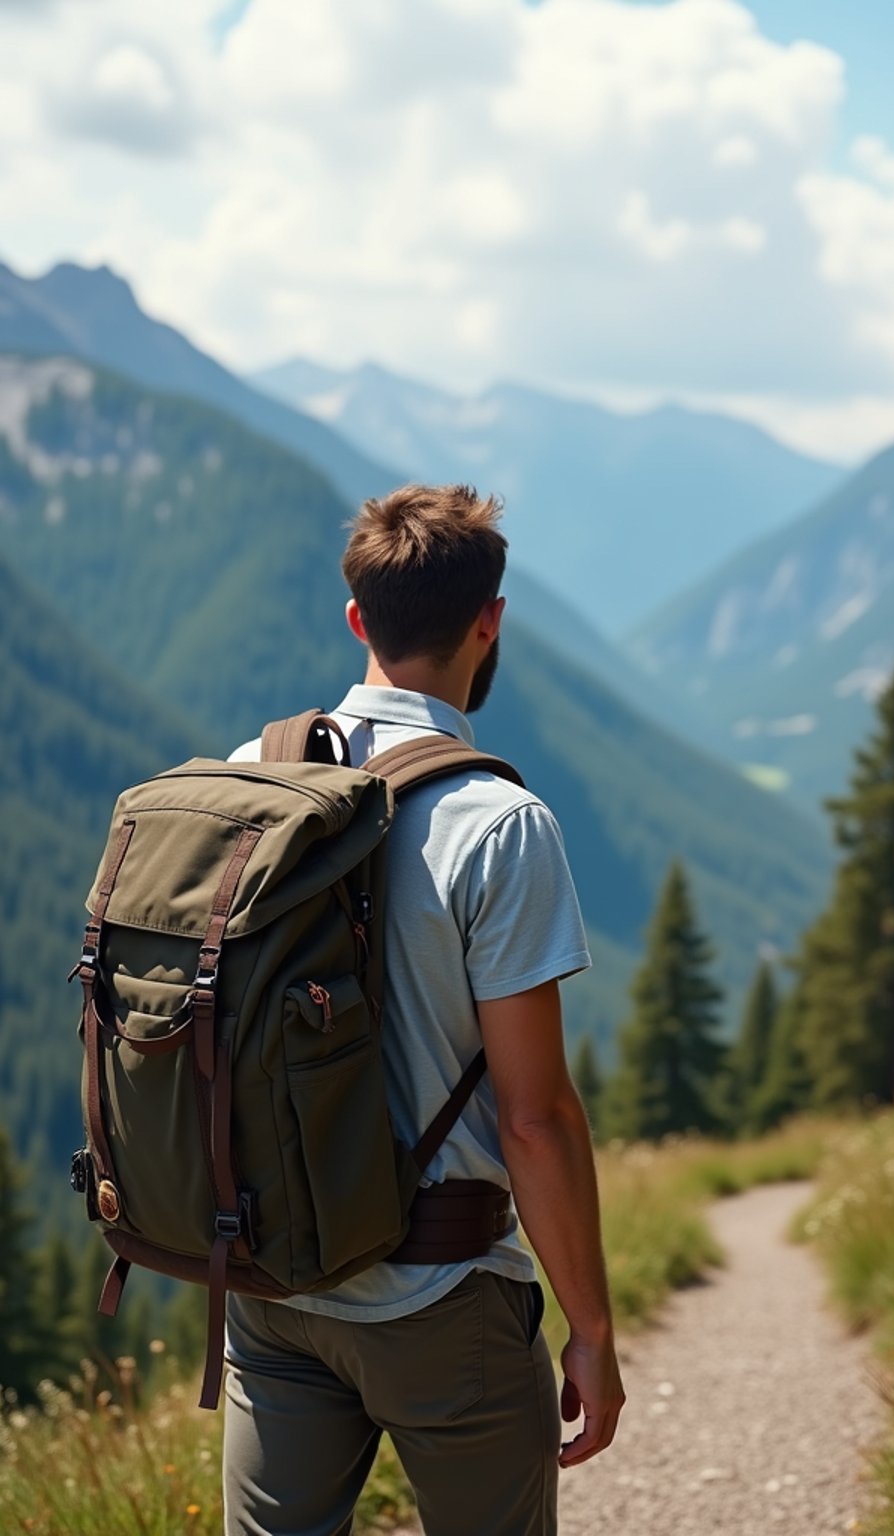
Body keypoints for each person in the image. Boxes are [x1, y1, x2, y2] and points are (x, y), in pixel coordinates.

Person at [223, 483, 625, 1536]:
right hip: (443, 1295)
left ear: (356, 619)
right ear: (489, 620)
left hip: (270, 1286)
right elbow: (535, 1118)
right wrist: (590, 1328)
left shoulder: (241, 787)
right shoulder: (497, 823)